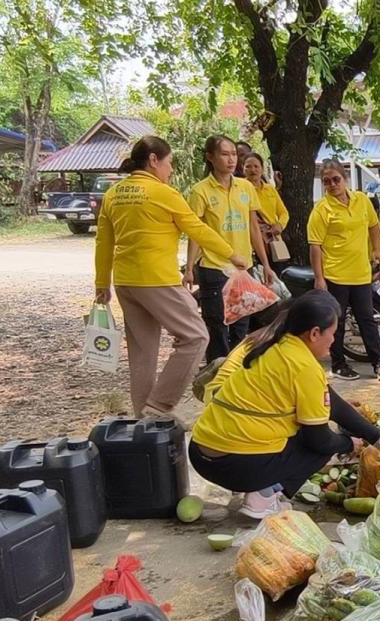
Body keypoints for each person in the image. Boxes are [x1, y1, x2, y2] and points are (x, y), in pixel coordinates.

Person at [189, 291, 380, 518]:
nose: (334, 340)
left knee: (305, 427)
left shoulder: (274, 347)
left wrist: (377, 437)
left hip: (201, 455)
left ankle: (259, 486)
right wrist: (348, 443)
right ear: (314, 333)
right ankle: (263, 496)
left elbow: (333, 404)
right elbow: (320, 441)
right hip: (233, 467)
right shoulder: (304, 366)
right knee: (321, 443)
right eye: (333, 333)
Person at [93, 136, 248, 418]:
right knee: (195, 336)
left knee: (142, 352)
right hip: (157, 279)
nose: (172, 169)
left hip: (126, 282)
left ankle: (145, 419)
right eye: (170, 163)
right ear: (154, 160)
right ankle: (159, 406)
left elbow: (103, 242)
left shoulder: (113, 194)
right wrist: (232, 255)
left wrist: (101, 283)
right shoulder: (164, 193)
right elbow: (197, 229)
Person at [185, 135, 275, 363]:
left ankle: (236, 371)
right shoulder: (200, 191)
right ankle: (217, 374)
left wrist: (265, 264)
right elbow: (195, 232)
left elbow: (254, 228)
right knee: (217, 325)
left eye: (234, 154)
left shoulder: (245, 187)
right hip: (214, 268)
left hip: (243, 268)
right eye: (224, 154)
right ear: (210, 157)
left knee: (241, 325)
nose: (231, 159)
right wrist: (189, 268)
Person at [309, 158, 380, 381]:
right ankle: (338, 364)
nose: (332, 185)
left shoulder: (361, 200)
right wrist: (319, 278)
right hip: (335, 274)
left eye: (336, 179)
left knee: (367, 319)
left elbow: (374, 226)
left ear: (345, 179)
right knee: (338, 320)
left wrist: (377, 250)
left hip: (360, 273)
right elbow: (315, 245)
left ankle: (379, 363)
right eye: (327, 181)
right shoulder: (322, 209)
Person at [243, 152, 290, 265]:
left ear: (262, 169)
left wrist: (280, 225)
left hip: (273, 240)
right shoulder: (240, 189)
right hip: (250, 243)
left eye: (256, 166)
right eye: (248, 166)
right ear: (243, 169)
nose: (253, 170)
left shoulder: (270, 189)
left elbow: (283, 212)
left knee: (278, 272)